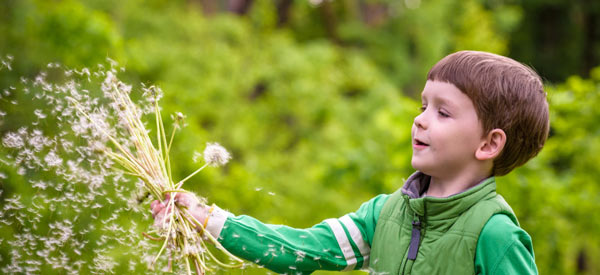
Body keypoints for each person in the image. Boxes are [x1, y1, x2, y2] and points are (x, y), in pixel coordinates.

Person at [151, 50, 547, 274]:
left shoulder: (495, 236)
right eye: (423, 105)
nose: (421, 119)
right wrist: (207, 218)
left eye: (443, 113)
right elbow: (300, 249)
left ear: (489, 144)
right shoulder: (384, 214)